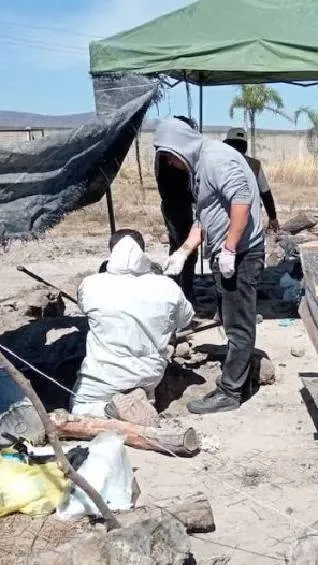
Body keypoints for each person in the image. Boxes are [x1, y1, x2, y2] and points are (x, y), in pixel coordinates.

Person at [156, 117, 265, 414]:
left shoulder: (216, 159)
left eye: (168, 156)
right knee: (231, 319)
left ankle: (230, 392)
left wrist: (230, 248)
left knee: (238, 323)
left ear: (180, 145)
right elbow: (206, 214)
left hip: (241, 254)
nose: (168, 164)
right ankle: (242, 378)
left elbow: (241, 200)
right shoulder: (200, 166)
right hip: (228, 253)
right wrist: (185, 250)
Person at [71, 229, 194, 417]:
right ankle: (144, 399)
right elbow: (185, 320)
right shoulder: (168, 286)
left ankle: (110, 410)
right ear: (143, 251)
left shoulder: (90, 284)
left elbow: (84, 309)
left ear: (111, 252)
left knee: (78, 408)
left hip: (104, 377)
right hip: (151, 374)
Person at [155, 115, 201, 306]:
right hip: (177, 207)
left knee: (178, 249)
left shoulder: (164, 153)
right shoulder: (169, 156)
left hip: (174, 206)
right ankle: (185, 295)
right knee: (187, 252)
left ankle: (177, 291)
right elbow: (179, 188)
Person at [223, 127, 280, 233]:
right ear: (245, 146)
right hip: (250, 217)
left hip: (226, 216)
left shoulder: (220, 164)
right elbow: (265, 192)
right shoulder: (254, 164)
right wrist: (273, 216)